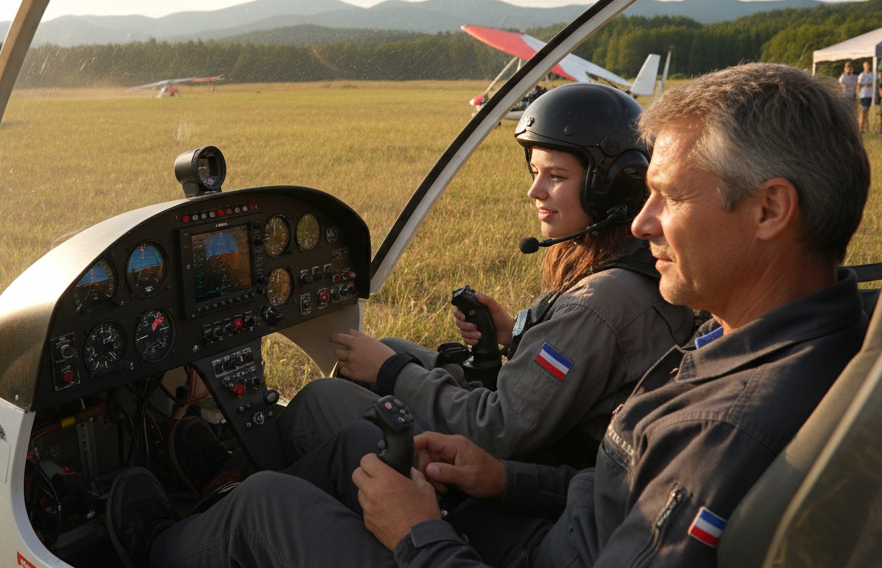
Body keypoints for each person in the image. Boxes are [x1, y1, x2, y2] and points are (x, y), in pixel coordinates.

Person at [108, 62, 871, 568]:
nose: (641, 225)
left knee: (270, 506)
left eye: (668, 197)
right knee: (355, 453)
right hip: (542, 532)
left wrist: (420, 535)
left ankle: (157, 547)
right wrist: (501, 478)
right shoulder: (758, 340)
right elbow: (615, 489)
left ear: (771, 209)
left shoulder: (734, 427)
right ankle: (210, 508)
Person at [279, 84, 693, 466]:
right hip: (554, 443)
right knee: (389, 346)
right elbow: (579, 368)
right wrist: (514, 334)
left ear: (615, 188)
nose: (535, 192)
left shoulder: (601, 302)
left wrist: (390, 371)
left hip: (521, 473)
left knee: (323, 397)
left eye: (557, 176)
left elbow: (498, 429)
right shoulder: (639, 262)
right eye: (534, 173)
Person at [856, 60, 875, 133]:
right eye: (866, 66)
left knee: (867, 112)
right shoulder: (862, 75)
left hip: (870, 95)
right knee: (863, 112)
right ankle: (861, 128)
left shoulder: (872, 74)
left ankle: (867, 128)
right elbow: (859, 85)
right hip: (863, 95)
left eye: (868, 65)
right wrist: (858, 94)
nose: (867, 67)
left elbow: (874, 83)